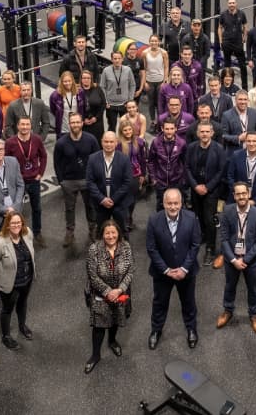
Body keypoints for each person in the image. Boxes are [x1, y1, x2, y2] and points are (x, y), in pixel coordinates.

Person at [146, 189, 202, 350]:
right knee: (159, 303)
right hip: (163, 273)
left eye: (176, 203)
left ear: (181, 203)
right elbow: (151, 248)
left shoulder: (191, 219)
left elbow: (195, 245)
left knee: (189, 302)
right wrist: (166, 270)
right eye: (169, 203)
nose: (172, 207)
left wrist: (184, 268)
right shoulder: (153, 220)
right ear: (163, 204)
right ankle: (156, 330)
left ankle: (191, 329)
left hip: (186, 272)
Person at [216, 182, 256, 334]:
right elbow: (223, 239)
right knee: (230, 286)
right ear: (234, 196)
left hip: (250, 260)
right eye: (238, 194)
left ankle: (254, 314)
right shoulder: (227, 211)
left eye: (244, 193)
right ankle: (228, 310)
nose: (241, 196)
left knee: (253, 288)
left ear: (248, 194)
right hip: (232, 258)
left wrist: (244, 260)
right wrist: (233, 260)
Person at [84, 220, 134, 374]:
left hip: (120, 293)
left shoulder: (126, 247)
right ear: (102, 234)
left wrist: (119, 290)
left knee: (115, 319)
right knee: (99, 325)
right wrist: (108, 292)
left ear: (118, 233)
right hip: (100, 295)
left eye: (113, 232)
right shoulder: (94, 250)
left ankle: (112, 341)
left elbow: (130, 270)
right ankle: (95, 355)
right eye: (107, 233)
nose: (111, 236)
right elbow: (92, 275)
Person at [0, 211, 37, 351]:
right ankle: (6, 336)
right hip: (9, 284)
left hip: (26, 280)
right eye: (13, 223)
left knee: (22, 304)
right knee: (7, 309)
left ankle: (22, 326)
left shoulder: (27, 234)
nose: (16, 225)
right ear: (7, 225)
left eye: (19, 222)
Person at [54, 112, 100, 245]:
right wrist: (61, 181)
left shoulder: (91, 139)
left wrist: (95, 178)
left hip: (88, 180)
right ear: (69, 124)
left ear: (82, 123)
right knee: (69, 208)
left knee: (90, 206)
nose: (74, 124)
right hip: (69, 182)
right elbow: (57, 163)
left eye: (77, 122)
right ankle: (70, 232)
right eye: (72, 122)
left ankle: (93, 229)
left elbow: (97, 159)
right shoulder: (61, 143)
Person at [185, 121, 226, 265]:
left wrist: (207, 187)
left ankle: (210, 248)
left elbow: (221, 171)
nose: (204, 134)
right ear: (197, 133)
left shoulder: (219, 149)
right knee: (198, 216)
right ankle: (202, 236)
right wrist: (195, 186)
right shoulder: (191, 148)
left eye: (207, 132)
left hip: (211, 190)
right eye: (201, 132)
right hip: (196, 189)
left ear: (212, 133)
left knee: (210, 219)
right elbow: (187, 168)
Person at [86, 131, 134, 230]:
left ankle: (124, 246)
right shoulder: (92, 158)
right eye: (106, 141)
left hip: (119, 203)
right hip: (100, 204)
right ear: (101, 142)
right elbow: (90, 182)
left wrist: (114, 199)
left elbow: (127, 182)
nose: (108, 144)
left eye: (111, 142)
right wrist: (102, 199)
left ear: (116, 142)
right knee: (101, 230)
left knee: (122, 230)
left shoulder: (124, 159)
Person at [147, 118, 187, 211]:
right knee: (161, 207)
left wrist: (183, 180)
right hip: (160, 182)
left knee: (177, 207)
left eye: (171, 129)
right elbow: (151, 162)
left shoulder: (182, 143)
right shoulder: (156, 142)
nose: (169, 131)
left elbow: (186, 163)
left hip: (176, 181)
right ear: (162, 128)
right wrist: (153, 179)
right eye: (167, 129)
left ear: (175, 129)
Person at [117, 118, 148, 234]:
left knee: (133, 199)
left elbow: (142, 160)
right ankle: (124, 219)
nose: (128, 132)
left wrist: (143, 174)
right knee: (123, 198)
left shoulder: (139, 142)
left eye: (129, 129)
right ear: (121, 131)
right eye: (125, 130)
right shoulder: (118, 145)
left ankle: (129, 216)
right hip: (122, 177)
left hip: (136, 175)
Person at [100, 51, 137, 132]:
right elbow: (102, 86)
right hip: (111, 105)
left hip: (124, 104)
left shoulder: (128, 70)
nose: (117, 60)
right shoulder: (106, 71)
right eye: (115, 58)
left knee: (126, 127)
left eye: (119, 58)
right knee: (112, 127)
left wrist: (130, 100)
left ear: (122, 59)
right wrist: (105, 101)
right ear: (112, 59)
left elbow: (132, 85)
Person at [218, 0, 249, 87]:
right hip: (227, 42)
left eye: (233, 3)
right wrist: (220, 41)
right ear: (228, 4)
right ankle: (227, 86)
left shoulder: (241, 14)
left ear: (236, 4)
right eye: (230, 3)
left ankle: (245, 86)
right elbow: (219, 27)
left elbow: (245, 26)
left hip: (238, 42)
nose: (231, 4)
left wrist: (244, 37)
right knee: (227, 66)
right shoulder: (223, 15)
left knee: (242, 65)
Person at [49, 71, 87, 140]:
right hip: (63, 129)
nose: (67, 83)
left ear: (72, 80)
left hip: (77, 128)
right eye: (65, 81)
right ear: (61, 82)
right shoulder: (55, 95)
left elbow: (84, 108)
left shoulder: (80, 92)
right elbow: (53, 110)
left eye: (69, 81)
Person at [143, 34, 169, 124]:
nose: (154, 43)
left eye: (155, 41)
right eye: (152, 41)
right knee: (151, 103)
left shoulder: (164, 53)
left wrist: (165, 80)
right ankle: (153, 121)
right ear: (149, 42)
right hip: (149, 81)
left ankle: (160, 121)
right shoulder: (145, 53)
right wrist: (144, 82)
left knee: (159, 103)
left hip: (160, 82)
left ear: (158, 42)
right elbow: (144, 69)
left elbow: (166, 67)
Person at [80, 70, 106, 139]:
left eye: (88, 78)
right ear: (81, 79)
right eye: (84, 78)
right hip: (83, 124)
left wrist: (96, 117)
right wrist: (83, 119)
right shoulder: (78, 91)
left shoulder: (97, 89)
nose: (86, 80)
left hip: (97, 121)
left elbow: (103, 104)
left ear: (91, 79)